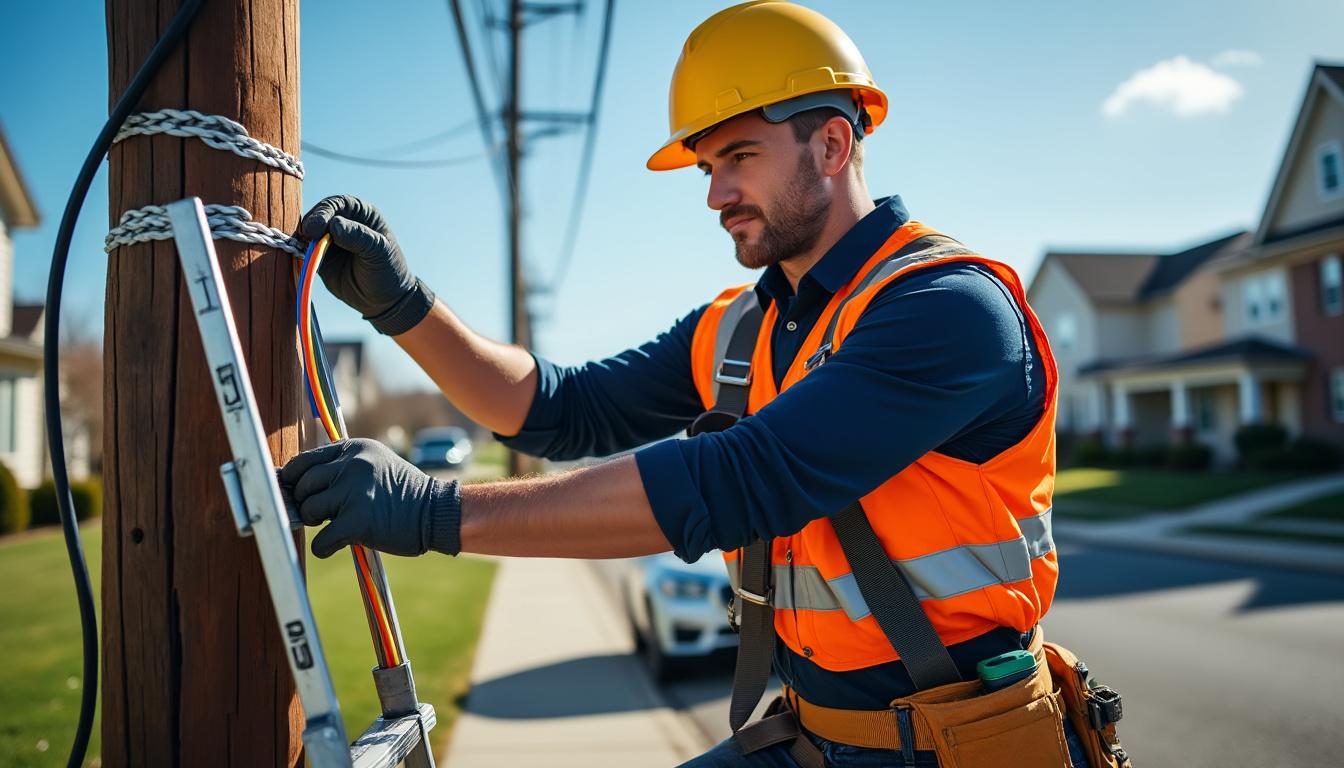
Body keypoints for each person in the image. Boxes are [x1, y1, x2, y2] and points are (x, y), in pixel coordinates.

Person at [281, 3, 1094, 765]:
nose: (715, 195)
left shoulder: (947, 309)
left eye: (739, 157)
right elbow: (559, 410)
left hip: (953, 745)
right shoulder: (741, 328)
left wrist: (436, 511)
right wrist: (405, 307)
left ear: (834, 146)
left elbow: (740, 478)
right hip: (812, 733)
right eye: (707, 167)